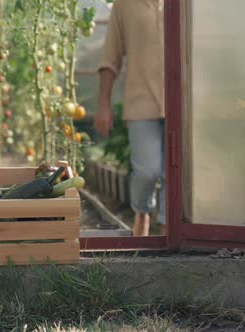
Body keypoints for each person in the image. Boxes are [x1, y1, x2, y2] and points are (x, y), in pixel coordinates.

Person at [94, 0, 166, 236]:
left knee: (177, 174)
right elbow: (110, 58)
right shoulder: (124, 5)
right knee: (147, 171)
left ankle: (168, 227)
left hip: (184, 104)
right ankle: (142, 212)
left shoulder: (187, 6)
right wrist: (103, 104)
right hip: (141, 101)